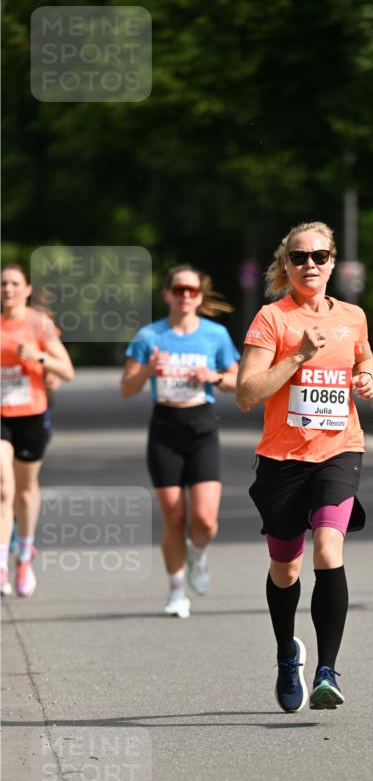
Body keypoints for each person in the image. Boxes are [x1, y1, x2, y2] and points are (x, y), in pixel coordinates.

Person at [236, 221, 373, 713]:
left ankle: (326, 671)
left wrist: (365, 377)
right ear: (287, 265)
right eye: (299, 257)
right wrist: (297, 356)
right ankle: (286, 654)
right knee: (285, 568)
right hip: (282, 459)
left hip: (340, 449)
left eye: (319, 255)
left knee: (328, 545)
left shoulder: (353, 316)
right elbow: (246, 395)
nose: (309, 264)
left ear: (333, 261)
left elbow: (365, 359)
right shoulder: (272, 319)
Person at [121, 264, 240, 618]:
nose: (185, 295)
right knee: (173, 517)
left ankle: (198, 554)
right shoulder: (149, 337)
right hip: (164, 429)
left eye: (192, 290)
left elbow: (239, 382)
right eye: (179, 290)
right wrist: (146, 370)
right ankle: (176, 591)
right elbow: (126, 389)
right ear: (167, 294)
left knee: (205, 520)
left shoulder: (215, 335)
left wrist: (214, 376)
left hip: (202, 427)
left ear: (200, 296)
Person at [1, 263, 75, 597]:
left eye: (15, 284)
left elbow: (67, 370)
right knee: (4, 486)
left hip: (31, 414)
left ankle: (24, 555)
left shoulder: (38, 324)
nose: (8, 289)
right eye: (3, 284)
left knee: (26, 490)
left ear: (27, 289)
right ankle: (2, 562)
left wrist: (37, 357)